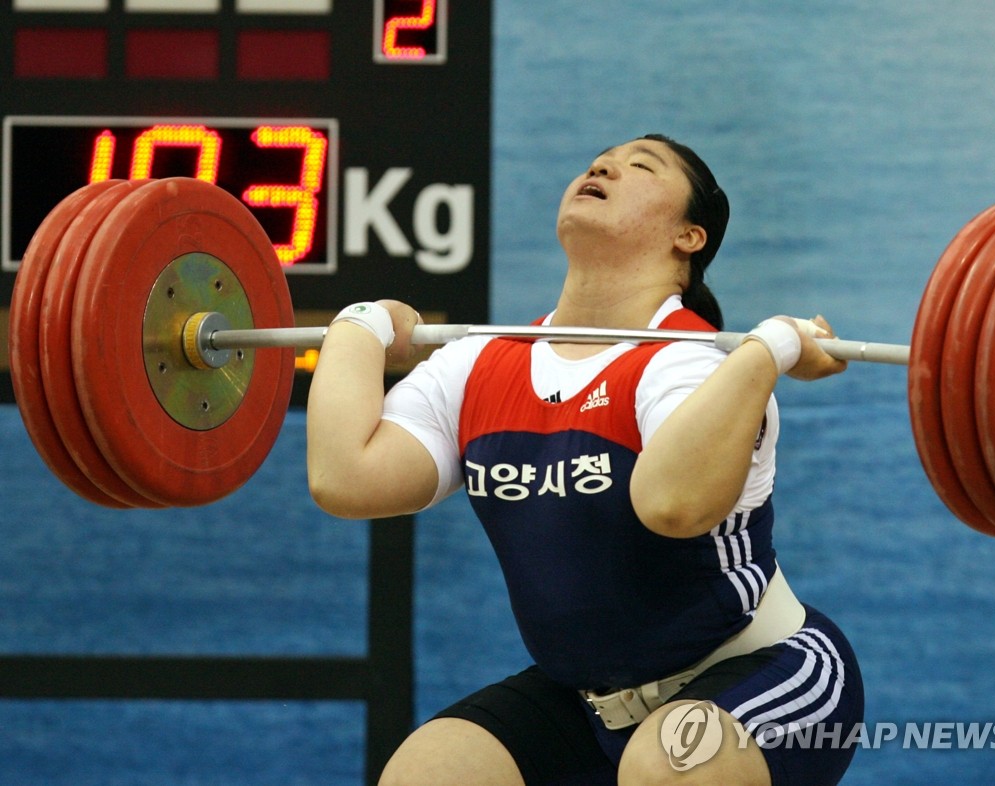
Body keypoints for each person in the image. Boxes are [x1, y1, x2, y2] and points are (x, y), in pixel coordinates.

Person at [306, 134, 865, 785]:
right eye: (601, 158)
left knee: (670, 766)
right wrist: (362, 325)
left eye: (641, 166)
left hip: (766, 669)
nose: (603, 166)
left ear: (690, 236)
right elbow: (345, 477)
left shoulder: (688, 363)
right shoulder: (477, 364)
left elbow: (673, 504)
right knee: (427, 773)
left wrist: (766, 350)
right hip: (586, 703)